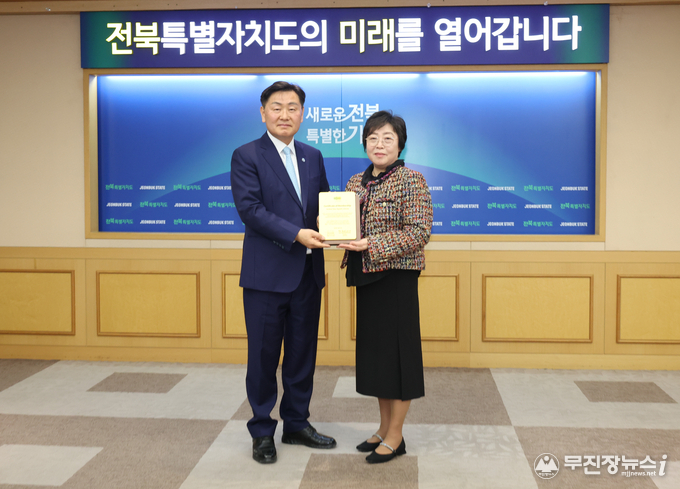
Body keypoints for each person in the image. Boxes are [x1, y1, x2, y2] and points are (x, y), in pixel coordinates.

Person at [230, 81, 337, 464]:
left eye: (293, 107)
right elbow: (251, 210)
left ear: (302, 114)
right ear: (263, 113)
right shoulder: (247, 155)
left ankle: (296, 423)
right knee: (262, 357)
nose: (285, 114)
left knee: (301, 354)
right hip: (266, 277)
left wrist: (333, 223)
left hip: (307, 274)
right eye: (277, 107)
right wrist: (296, 234)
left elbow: (323, 203)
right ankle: (262, 430)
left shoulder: (313, 155)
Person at [338, 110, 433, 464]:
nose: (379, 144)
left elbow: (419, 233)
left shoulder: (412, 181)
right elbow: (344, 223)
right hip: (366, 277)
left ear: (400, 144)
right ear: (364, 143)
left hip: (396, 278)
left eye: (387, 138)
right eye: (373, 138)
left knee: (399, 358)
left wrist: (372, 244)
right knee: (377, 358)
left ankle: (396, 435)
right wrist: (330, 227)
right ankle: (383, 427)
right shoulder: (355, 182)